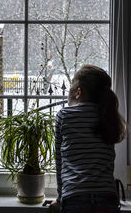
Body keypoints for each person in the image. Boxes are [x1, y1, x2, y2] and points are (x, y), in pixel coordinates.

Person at [50, 64, 127, 213]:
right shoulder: (106, 116)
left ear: (78, 92)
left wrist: (60, 199)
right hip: (108, 198)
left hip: (75, 198)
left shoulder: (64, 116)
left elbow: (60, 162)